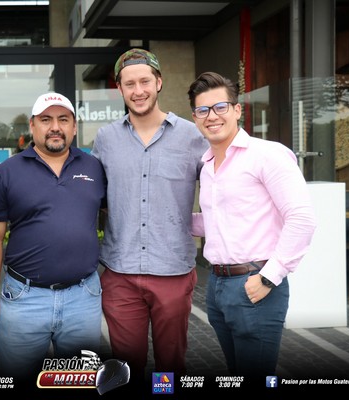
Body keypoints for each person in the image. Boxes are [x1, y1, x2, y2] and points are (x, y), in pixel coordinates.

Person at [91, 49, 209, 389]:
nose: (138, 90)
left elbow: (223, 188)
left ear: (158, 82)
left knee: (171, 364)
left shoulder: (192, 136)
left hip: (173, 270)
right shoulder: (106, 139)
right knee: (126, 367)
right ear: (120, 89)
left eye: (145, 81)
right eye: (129, 84)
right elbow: (91, 196)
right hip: (120, 272)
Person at [188, 71, 317, 379]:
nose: (212, 116)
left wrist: (269, 277)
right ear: (195, 118)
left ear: (237, 110)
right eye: (203, 110)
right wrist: (166, 220)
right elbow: (218, 222)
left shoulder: (267, 155)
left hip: (255, 283)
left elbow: (302, 218)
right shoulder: (207, 166)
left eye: (220, 107)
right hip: (217, 287)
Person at [0, 92, 106, 385]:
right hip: (24, 300)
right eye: (46, 120)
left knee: (79, 381)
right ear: (32, 126)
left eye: (63, 120)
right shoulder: (6, 173)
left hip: (83, 298)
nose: (55, 127)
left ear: (74, 127)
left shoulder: (94, 168)